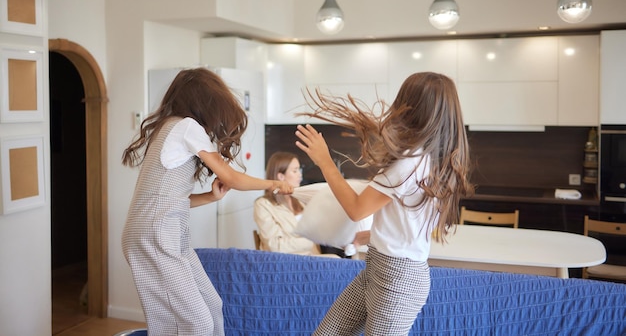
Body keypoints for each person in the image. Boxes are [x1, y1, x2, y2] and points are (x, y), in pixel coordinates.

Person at [295, 72, 473, 336]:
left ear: (411, 108)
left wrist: (325, 161)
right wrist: (373, 235)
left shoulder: (410, 163)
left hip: (397, 279)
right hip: (383, 268)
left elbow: (357, 209)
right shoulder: (432, 160)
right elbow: (411, 219)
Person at [121, 68, 293, 336]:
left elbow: (168, 200)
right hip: (155, 234)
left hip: (164, 232)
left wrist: (210, 197)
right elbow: (232, 177)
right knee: (194, 324)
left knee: (213, 305)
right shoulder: (185, 126)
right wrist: (274, 184)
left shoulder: (172, 127)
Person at [253, 151, 322, 255]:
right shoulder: (263, 205)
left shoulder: (300, 201)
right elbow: (276, 245)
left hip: (311, 258)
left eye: (299, 170)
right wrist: (310, 241)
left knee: (339, 261)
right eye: (295, 171)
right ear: (281, 176)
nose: (300, 175)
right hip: (285, 263)